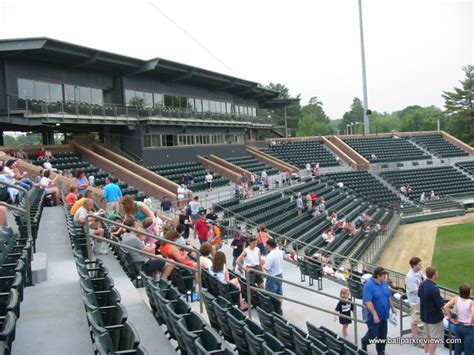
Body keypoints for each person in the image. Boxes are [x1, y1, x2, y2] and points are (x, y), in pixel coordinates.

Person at [361, 267, 396, 355]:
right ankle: (364, 341)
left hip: (384, 315)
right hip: (373, 316)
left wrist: (392, 307)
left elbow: (388, 296)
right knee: (373, 334)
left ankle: (381, 351)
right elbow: (368, 302)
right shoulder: (369, 285)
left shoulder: (384, 283)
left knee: (382, 336)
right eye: (384, 275)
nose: (385, 276)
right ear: (378, 276)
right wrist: (375, 315)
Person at [418, 266, 446, 355]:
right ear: (434, 275)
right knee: (434, 338)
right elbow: (440, 304)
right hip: (434, 318)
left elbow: (419, 295)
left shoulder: (422, 284)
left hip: (425, 315)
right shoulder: (434, 288)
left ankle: (426, 353)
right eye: (436, 273)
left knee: (427, 335)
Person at [444, 283, 474, 355]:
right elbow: (473, 313)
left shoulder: (456, 299)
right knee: (468, 349)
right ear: (469, 292)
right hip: (468, 328)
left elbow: (446, 307)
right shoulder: (471, 302)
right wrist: (471, 322)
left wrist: (450, 318)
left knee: (458, 348)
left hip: (458, 326)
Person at [405, 257, 424, 343]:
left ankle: (416, 332)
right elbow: (415, 290)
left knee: (417, 319)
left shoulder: (419, 272)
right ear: (414, 265)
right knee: (415, 320)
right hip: (414, 301)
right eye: (419, 265)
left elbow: (425, 279)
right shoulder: (410, 276)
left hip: (419, 299)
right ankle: (414, 338)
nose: (421, 266)